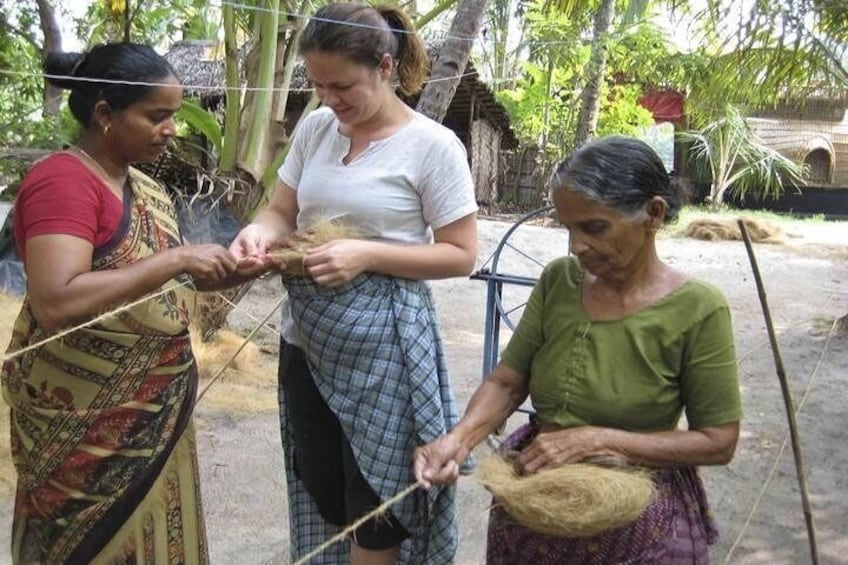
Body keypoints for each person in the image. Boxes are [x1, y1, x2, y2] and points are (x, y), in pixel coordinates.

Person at [414, 136, 743, 564]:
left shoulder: (698, 307)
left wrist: (598, 439)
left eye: (595, 227)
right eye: (568, 228)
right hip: (537, 492)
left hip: (636, 507)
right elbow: (508, 381)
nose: (577, 247)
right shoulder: (559, 281)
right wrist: (458, 440)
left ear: (654, 215)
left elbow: (719, 441)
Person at [230, 3, 478, 563]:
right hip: (307, 343)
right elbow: (280, 209)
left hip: (385, 353)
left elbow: (461, 255)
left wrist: (365, 253)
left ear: (385, 67)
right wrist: (257, 234)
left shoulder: (432, 147)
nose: (328, 99)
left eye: (342, 86)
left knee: (380, 504)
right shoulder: (318, 127)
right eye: (317, 85)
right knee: (324, 487)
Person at [1, 43, 238, 564]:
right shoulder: (62, 182)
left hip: (154, 415)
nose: (172, 129)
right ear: (106, 114)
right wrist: (177, 261)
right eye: (157, 116)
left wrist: (256, 262)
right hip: (84, 428)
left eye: (173, 116)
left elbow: (154, 287)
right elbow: (57, 300)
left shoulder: (143, 187)